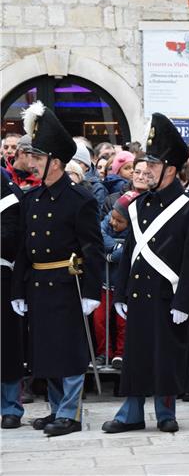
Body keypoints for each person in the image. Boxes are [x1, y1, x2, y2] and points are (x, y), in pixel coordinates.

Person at [101, 113, 189, 434]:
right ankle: (131, 411)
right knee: (135, 355)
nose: (144, 169)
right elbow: (131, 254)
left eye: (153, 163)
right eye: (144, 162)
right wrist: (120, 292)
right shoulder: (137, 206)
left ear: (171, 170)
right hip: (138, 294)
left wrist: (184, 302)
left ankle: (165, 411)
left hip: (169, 296)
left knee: (167, 354)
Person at [10, 102, 104, 436]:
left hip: (68, 283)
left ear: (56, 162)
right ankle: (55, 409)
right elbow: (23, 248)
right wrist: (18, 290)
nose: (31, 163)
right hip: (38, 281)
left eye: (37, 158)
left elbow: (93, 248)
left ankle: (70, 413)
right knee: (46, 350)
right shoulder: (32, 199)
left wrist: (93, 291)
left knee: (70, 351)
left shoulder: (80, 199)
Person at [94, 191, 138, 370]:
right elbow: (98, 233)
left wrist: (113, 254)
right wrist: (115, 247)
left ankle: (121, 353)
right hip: (105, 282)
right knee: (99, 319)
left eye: (119, 221)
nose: (113, 222)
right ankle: (104, 352)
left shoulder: (136, 229)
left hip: (124, 284)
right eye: (113, 217)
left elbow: (127, 250)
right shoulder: (108, 220)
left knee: (123, 320)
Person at [1, 169, 25, 429]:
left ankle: (10, 407)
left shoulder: (8, 197)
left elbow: (9, 238)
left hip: (2, 278)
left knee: (6, 347)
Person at [71, 142, 109, 209]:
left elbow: (97, 214)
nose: (73, 165)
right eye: (70, 161)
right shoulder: (62, 181)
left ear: (87, 167)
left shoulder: (97, 187)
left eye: (77, 162)